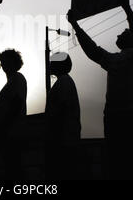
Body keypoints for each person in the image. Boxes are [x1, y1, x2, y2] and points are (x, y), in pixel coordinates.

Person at [67, 0, 133, 180]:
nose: (119, 33)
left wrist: (127, 9)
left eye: (124, 32)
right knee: (117, 168)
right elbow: (92, 50)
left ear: (132, 38)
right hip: (114, 119)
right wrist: (75, 25)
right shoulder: (113, 59)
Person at [45, 52, 81, 180]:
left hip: (63, 141)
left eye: (52, 63)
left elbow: (59, 111)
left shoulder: (63, 82)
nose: (49, 65)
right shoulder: (65, 81)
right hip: (65, 139)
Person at [0, 49, 27, 180]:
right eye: (3, 62)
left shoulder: (17, 79)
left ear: (15, 62)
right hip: (9, 132)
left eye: (7, 61)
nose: (4, 65)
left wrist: (2, 127)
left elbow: (16, 104)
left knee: (13, 169)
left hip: (12, 132)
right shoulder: (12, 81)